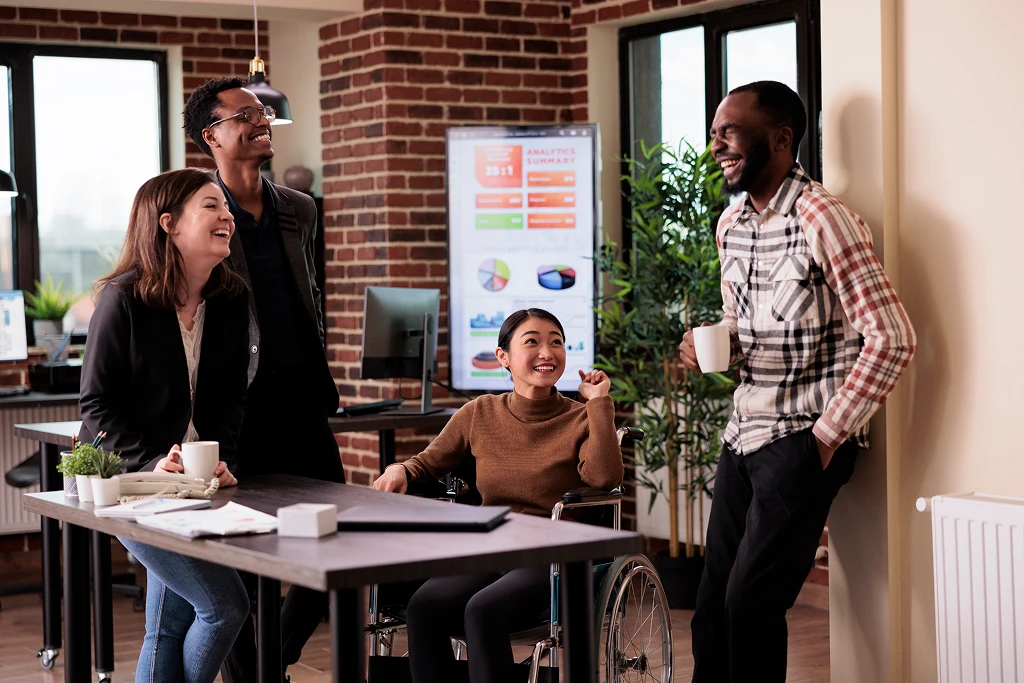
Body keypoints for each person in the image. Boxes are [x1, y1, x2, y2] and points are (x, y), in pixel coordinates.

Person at [677, 81, 917, 683]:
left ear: (781, 139)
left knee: (750, 604)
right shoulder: (731, 224)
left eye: (729, 132)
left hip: (800, 438)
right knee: (710, 608)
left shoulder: (824, 218)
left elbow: (893, 336)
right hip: (742, 433)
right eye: (714, 134)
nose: (716, 147)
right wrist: (714, 345)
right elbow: (742, 326)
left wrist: (826, 437)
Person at [181, 76, 344, 682]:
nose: (261, 121)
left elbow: (310, 292)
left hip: (302, 394)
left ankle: (274, 658)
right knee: (242, 554)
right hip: (236, 405)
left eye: (264, 113)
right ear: (211, 136)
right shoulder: (199, 211)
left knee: (337, 534)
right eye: (245, 115)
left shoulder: (299, 208)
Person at [373, 308, 623, 683]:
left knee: (482, 610)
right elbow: (427, 462)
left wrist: (598, 403)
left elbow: (605, 478)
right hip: (492, 547)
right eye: (532, 342)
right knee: (423, 605)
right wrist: (400, 469)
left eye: (557, 342)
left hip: (553, 554)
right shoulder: (480, 412)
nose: (547, 352)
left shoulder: (580, 417)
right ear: (503, 356)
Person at [79, 168, 252, 683]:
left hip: (195, 488)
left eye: (226, 207)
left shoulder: (230, 298)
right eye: (211, 206)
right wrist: (152, 461)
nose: (228, 217)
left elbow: (232, 401)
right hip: (131, 484)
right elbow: (97, 404)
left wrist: (225, 461)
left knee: (168, 624)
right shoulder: (123, 298)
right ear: (169, 224)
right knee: (224, 606)